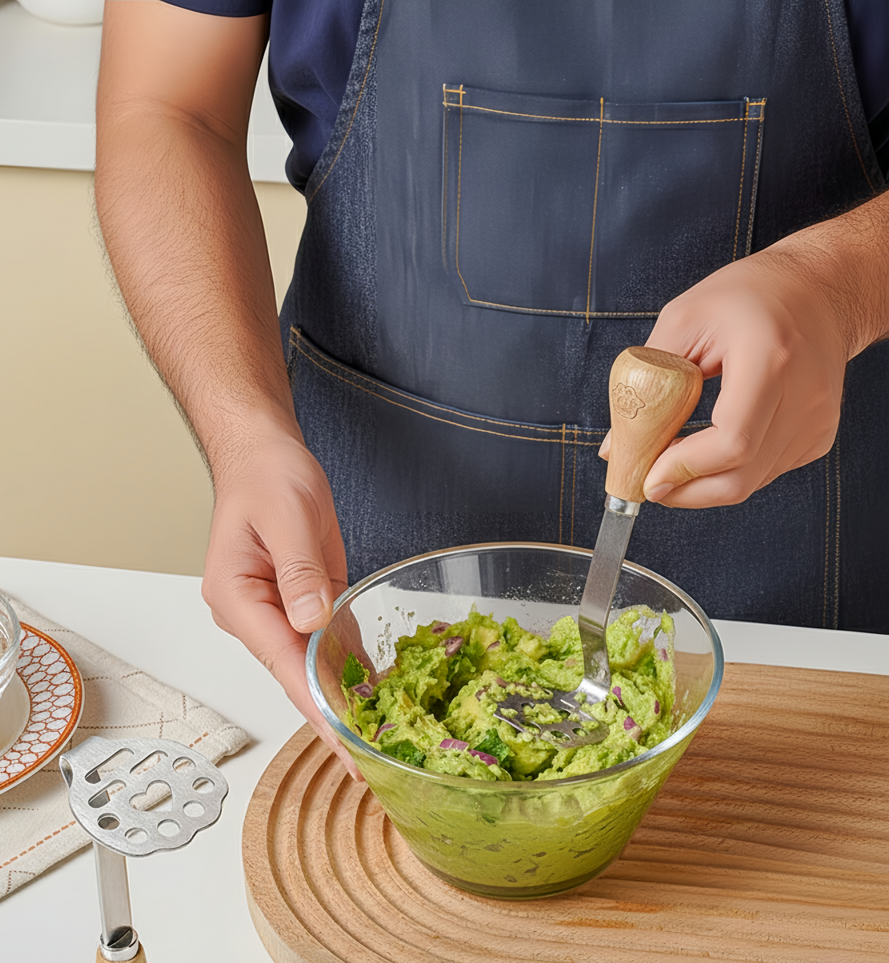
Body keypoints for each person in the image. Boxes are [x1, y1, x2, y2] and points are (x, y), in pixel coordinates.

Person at [95, 1, 889, 765]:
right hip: (367, 529)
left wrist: (842, 282)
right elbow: (166, 108)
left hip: (804, 552)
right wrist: (243, 432)